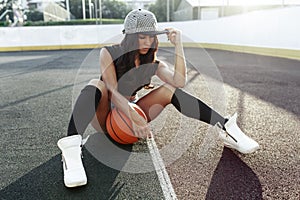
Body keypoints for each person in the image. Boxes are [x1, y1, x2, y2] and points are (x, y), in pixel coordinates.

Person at [57, 9, 259, 188]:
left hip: (129, 118)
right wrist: (133, 115)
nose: (147, 42)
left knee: (169, 90)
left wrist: (178, 45)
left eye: (151, 37)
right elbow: (111, 90)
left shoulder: (153, 62)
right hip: (107, 115)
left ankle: (225, 127)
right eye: (141, 37)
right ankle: (71, 152)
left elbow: (179, 81)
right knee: (96, 84)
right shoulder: (109, 52)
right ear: (129, 37)